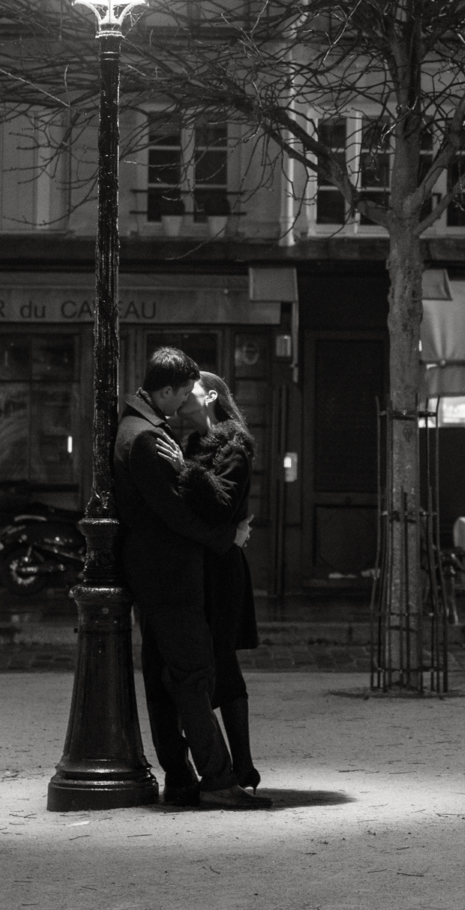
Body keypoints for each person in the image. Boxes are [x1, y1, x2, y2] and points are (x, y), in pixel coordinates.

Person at [111, 346, 265, 810]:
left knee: (168, 680)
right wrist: (228, 537)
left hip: (159, 577)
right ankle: (218, 779)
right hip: (172, 577)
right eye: (182, 393)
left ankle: (181, 777)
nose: (183, 402)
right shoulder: (145, 438)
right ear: (166, 390)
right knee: (192, 677)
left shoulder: (149, 432)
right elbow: (178, 512)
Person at [167, 372, 266, 798]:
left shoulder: (235, 444)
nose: (178, 396)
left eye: (187, 389)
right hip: (206, 561)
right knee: (215, 660)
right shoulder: (190, 445)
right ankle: (239, 764)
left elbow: (221, 503)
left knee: (219, 656)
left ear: (209, 396)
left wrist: (180, 470)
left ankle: (237, 763)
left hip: (221, 567)